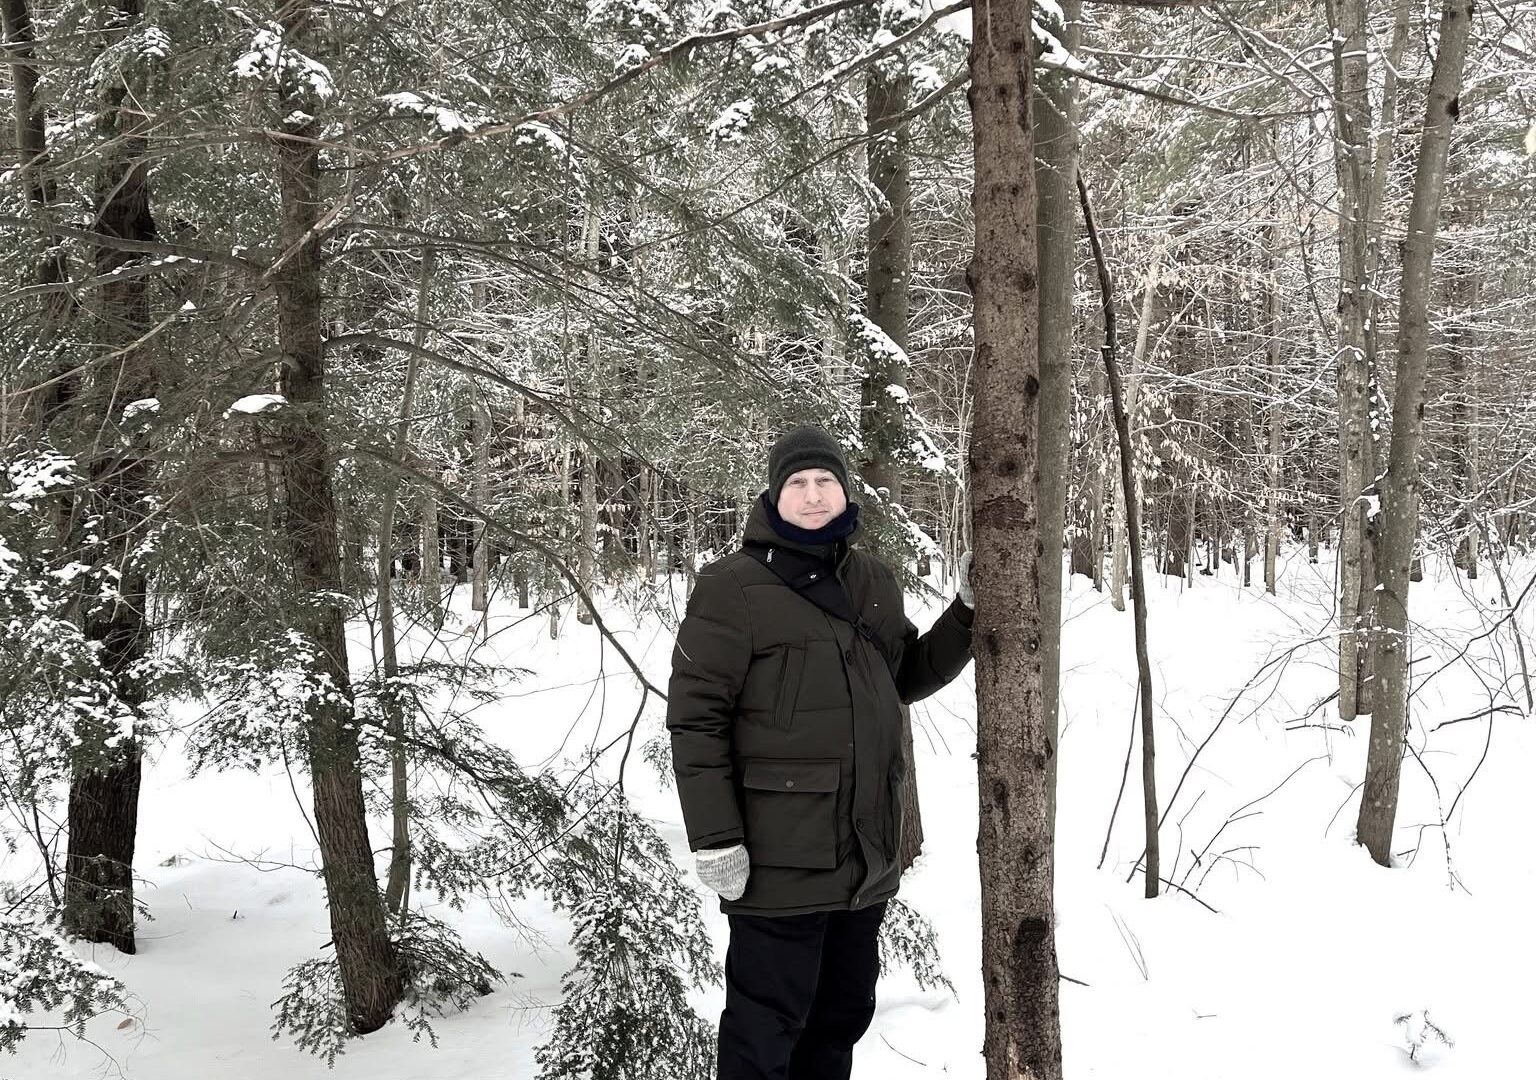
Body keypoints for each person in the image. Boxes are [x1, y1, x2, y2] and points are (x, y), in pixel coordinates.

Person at [666, 424, 976, 1080]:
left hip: (862, 859)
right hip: (779, 859)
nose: (813, 496)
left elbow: (905, 675)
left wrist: (966, 614)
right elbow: (696, 721)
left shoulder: (874, 581)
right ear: (774, 496)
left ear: (846, 491)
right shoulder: (732, 586)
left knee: (838, 1020)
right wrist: (716, 839)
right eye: (798, 484)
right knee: (764, 1032)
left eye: (825, 482)